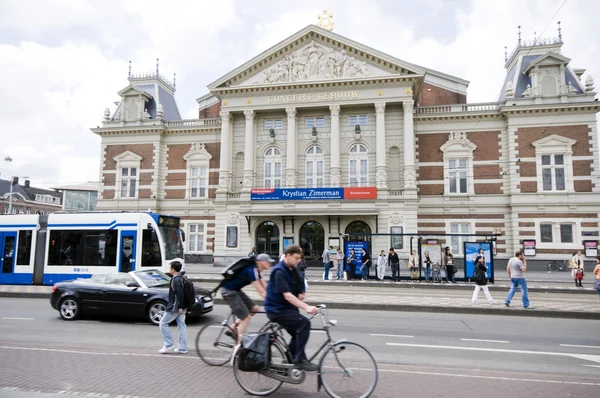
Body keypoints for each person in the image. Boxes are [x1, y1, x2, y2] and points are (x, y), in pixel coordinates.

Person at [264, 245, 319, 371]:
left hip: (287, 309)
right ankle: (299, 360)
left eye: (300, 258)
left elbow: (298, 284)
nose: (298, 260)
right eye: (296, 258)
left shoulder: (292, 269)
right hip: (277, 310)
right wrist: (307, 307)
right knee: (304, 324)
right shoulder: (279, 271)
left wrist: (300, 293)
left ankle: (289, 363)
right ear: (287, 256)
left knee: (298, 334)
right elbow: (287, 296)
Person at [221, 253, 275, 354]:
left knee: (254, 309)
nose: (270, 264)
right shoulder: (251, 270)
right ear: (260, 262)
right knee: (246, 318)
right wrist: (272, 303)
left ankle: (233, 327)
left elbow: (265, 286)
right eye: (268, 262)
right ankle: (238, 347)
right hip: (229, 292)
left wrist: (276, 296)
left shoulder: (257, 271)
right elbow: (261, 291)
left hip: (236, 290)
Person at [158, 261, 188, 354]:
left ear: (173, 270)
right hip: (183, 306)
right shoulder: (183, 278)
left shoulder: (175, 280)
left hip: (176, 307)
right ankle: (183, 348)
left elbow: (179, 294)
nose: (169, 269)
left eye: (170, 268)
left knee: (163, 323)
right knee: (181, 326)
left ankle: (168, 344)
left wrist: (179, 307)